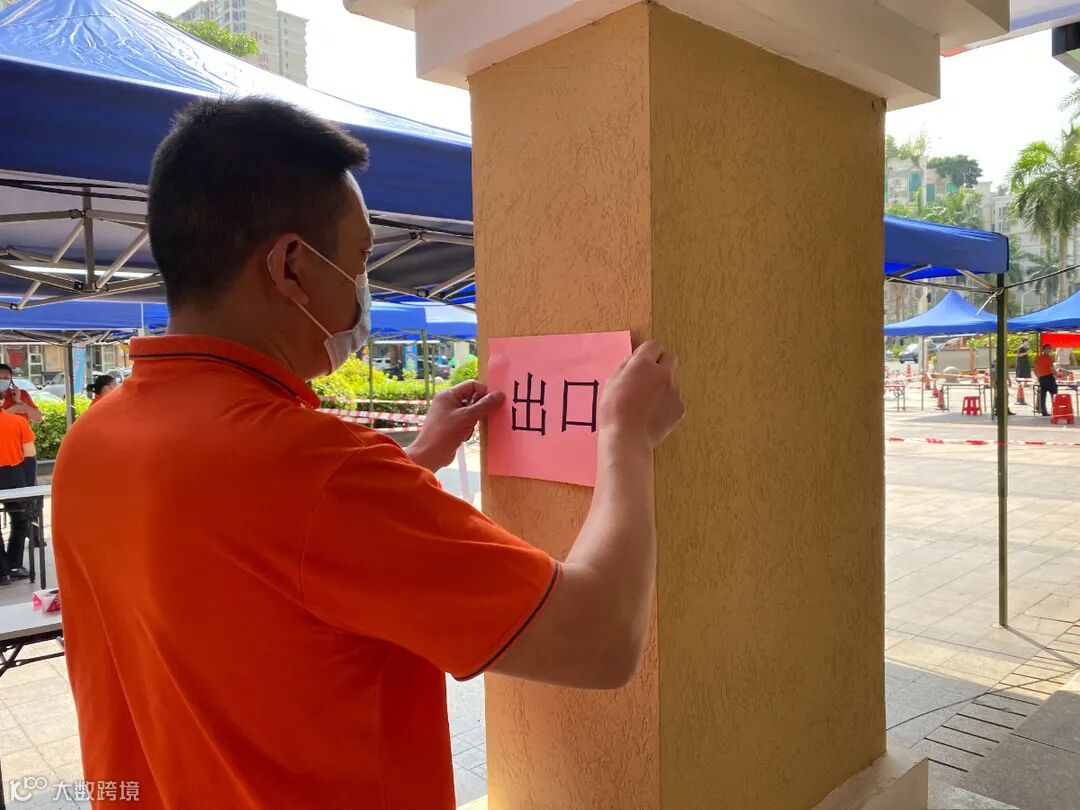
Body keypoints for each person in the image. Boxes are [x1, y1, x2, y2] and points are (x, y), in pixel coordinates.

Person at [52, 98, 684, 809]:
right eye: (359, 260)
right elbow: (600, 638)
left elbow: (267, 571)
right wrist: (625, 438)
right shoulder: (317, 468)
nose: (364, 288)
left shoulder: (92, 440)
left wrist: (418, 456)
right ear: (292, 267)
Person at [0, 406, 35, 584]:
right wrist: (30, 486)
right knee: (20, 519)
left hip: (12, 473)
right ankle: (14, 565)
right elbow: (29, 454)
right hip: (13, 475)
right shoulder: (18, 421)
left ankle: (2, 571)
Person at [1035, 342, 1057, 416]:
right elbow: (1052, 369)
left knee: (1043, 395)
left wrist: (1038, 376)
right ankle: (1055, 410)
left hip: (1042, 378)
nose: (1049, 350)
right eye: (1048, 349)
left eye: (1049, 349)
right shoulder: (1048, 358)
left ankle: (1043, 411)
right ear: (1044, 349)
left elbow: (1035, 369)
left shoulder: (1039, 358)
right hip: (1049, 377)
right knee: (1054, 394)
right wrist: (1057, 375)